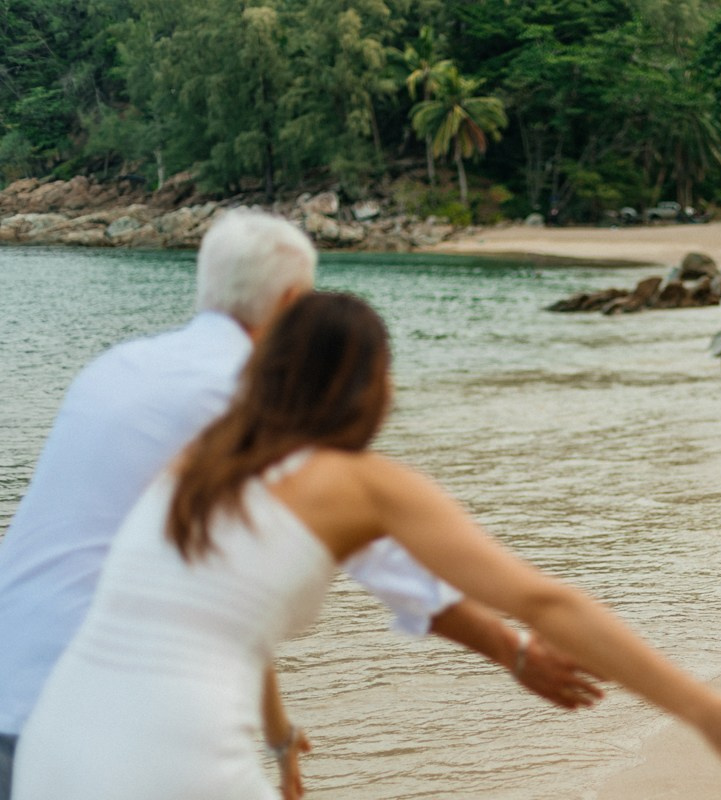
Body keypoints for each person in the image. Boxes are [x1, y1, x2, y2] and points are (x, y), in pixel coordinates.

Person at [13, 292, 721, 800]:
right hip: (172, 760)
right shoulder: (359, 485)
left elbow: (221, 627)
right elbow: (547, 601)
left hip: (54, 749)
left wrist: (279, 737)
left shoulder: (200, 464)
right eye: (387, 369)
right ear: (362, 383)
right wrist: (701, 710)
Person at [0, 209, 599, 800]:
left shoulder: (115, 369)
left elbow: (224, 595)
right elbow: (381, 553)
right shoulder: (250, 397)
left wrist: (279, 735)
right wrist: (512, 650)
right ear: (291, 306)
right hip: (105, 729)